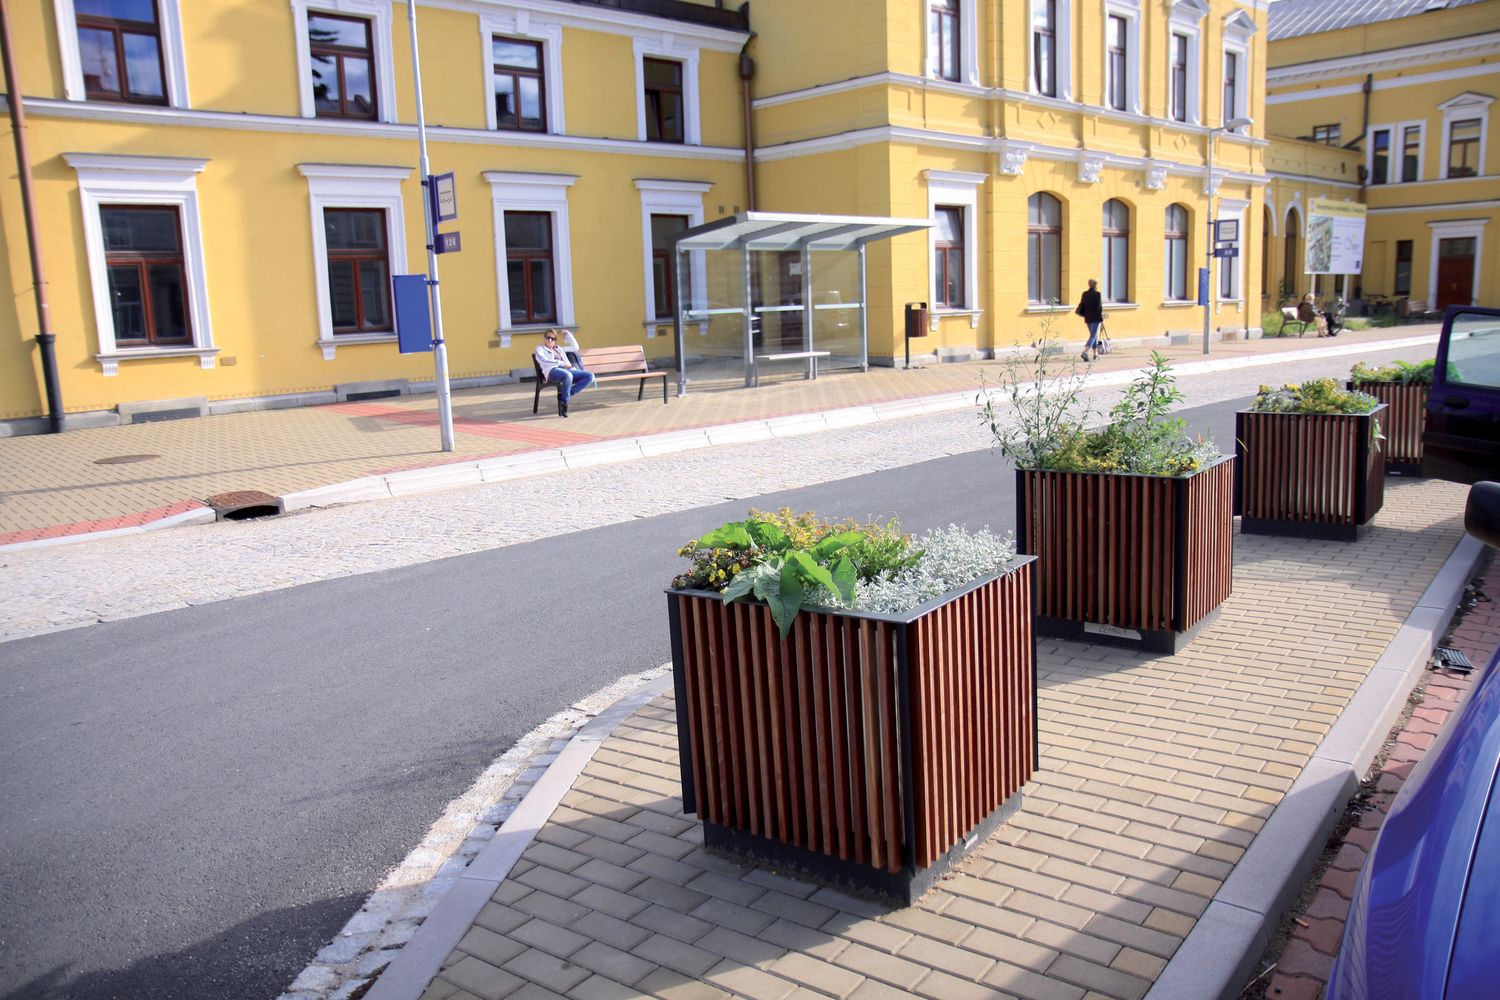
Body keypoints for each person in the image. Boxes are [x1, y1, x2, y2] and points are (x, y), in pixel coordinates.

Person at [534, 329, 594, 417]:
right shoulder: (540, 349)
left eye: (552, 338)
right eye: (548, 337)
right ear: (545, 338)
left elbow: (575, 347)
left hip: (568, 370)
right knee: (568, 375)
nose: (550, 340)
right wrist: (561, 363)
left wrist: (568, 335)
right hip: (553, 371)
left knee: (590, 376)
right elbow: (544, 360)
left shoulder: (559, 349)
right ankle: (565, 404)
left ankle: (566, 394)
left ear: (555, 340)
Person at [1075, 279, 1104, 361]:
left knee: (1093, 335)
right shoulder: (1098, 294)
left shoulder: (1085, 294)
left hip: (1087, 317)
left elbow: (1082, 304)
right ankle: (1085, 352)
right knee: (1093, 335)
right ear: (1095, 285)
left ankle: (1095, 354)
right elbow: (1099, 307)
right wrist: (1101, 318)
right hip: (1095, 318)